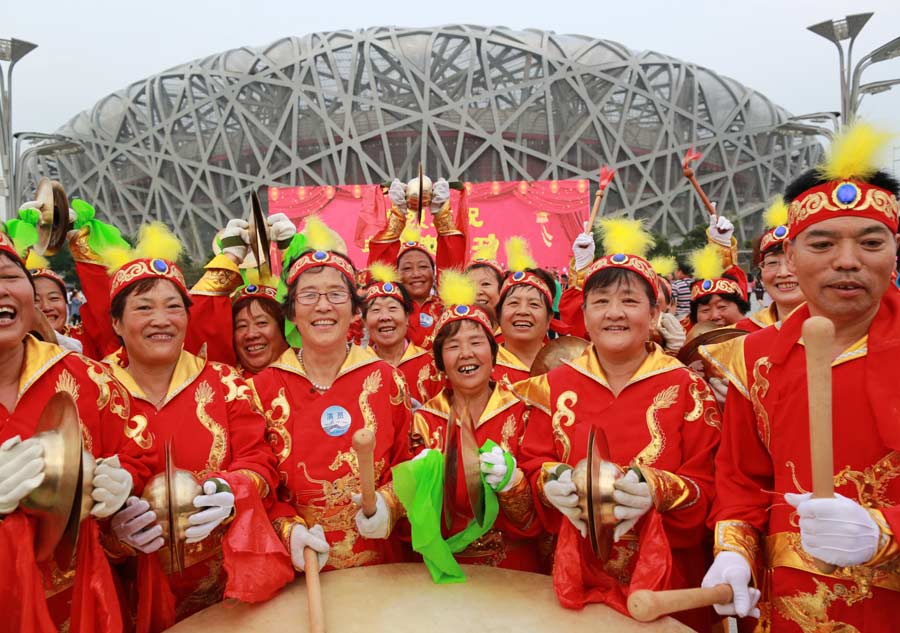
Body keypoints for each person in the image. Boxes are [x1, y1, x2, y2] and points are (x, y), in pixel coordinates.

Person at [703, 123, 900, 631]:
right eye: (823, 243)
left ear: (895, 248)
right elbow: (742, 481)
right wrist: (734, 552)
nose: (847, 261)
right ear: (790, 256)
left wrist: (884, 533)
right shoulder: (754, 358)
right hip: (788, 608)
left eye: (870, 242)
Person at [516, 219, 721, 631]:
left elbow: (713, 485)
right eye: (601, 301)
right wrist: (550, 481)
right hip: (574, 580)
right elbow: (531, 464)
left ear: (655, 312)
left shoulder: (688, 388)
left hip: (667, 587)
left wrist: (658, 490)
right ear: (584, 314)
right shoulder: (553, 386)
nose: (614, 313)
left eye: (629, 301)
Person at [96, 225, 291, 630]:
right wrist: (115, 536)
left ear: (188, 316)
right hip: (131, 600)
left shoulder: (225, 383)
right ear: (116, 322)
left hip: (228, 598)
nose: (161, 320)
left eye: (174, 307)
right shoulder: (92, 390)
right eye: (143, 308)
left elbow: (260, 460)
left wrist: (231, 490)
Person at [0, 231, 157, 632]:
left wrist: (125, 482)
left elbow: (139, 450)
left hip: (88, 606)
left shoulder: (87, 376)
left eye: (8, 276)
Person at [249, 225, 413, 574]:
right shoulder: (262, 388)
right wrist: (288, 530)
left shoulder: (386, 379)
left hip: (381, 569)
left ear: (355, 311)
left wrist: (388, 504)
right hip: (299, 569)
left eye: (336, 294)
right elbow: (257, 480)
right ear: (291, 313)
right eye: (308, 295)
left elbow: (408, 462)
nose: (323, 306)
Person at [355, 271, 540, 574]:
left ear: (494, 355)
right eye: (453, 346)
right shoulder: (423, 421)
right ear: (440, 363)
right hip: (440, 566)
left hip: (512, 568)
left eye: (476, 342)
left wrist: (513, 484)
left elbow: (536, 517)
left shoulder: (523, 413)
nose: (466, 353)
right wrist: (384, 505)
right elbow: (406, 501)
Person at [367, 175, 467, 348]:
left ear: (434, 272)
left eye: (423, 266)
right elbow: (378, 272)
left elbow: (454, 267)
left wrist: (442, 214)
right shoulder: (390, 309)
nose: (416, 274)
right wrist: (398, 215)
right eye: (406, 268)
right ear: (395, 274)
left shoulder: (448, 306)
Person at [362, 262, 442, 408]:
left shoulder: (432, 365)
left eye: (392, 308)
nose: (385, 317)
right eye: (376, 310)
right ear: (365, 321)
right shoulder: (357, 366)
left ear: (407, 318)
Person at [492, 237, 555, 384]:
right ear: (498, 315)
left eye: (534, 304)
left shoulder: (565, 367)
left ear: (549, 318)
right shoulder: (483, 369)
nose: (523, 311)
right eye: (513, 303)